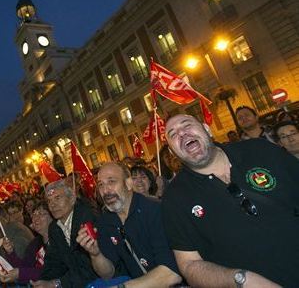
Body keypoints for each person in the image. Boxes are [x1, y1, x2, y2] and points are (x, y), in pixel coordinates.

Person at [161, 114, 299, 287]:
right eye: (173, 134)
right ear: (172, 150)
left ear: (207, 129)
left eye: (187, 125)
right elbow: (189, 265)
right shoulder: (174, 199)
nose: (181, 134)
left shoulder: (260, 150)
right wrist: (240, 279)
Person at [76, 162, 181, 287]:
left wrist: (123, 287)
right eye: (100, 185)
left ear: (129, 184)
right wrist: (95, 254)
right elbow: (108, 274)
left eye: (111, 182)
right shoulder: (105, 222)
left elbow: (172, 274)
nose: (105, 190)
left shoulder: (155, 210)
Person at [32, 179, 98, 287]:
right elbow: (53, 262)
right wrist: (42, 281)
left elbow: (88, 266)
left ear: (72, 199)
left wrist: (56, 283)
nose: (52, 204)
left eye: (57, 198)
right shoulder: (54, 228)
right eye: (49, 201)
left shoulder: (87, 218)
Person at [0, 201, 53, 284]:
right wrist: (10, 252)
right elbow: (23, 267)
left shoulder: (58, 242)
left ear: (53, 217)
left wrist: (20, 273)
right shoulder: (35, 243)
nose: (36, 217)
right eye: (34, 214)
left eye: (42, 214)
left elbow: (52, 272)